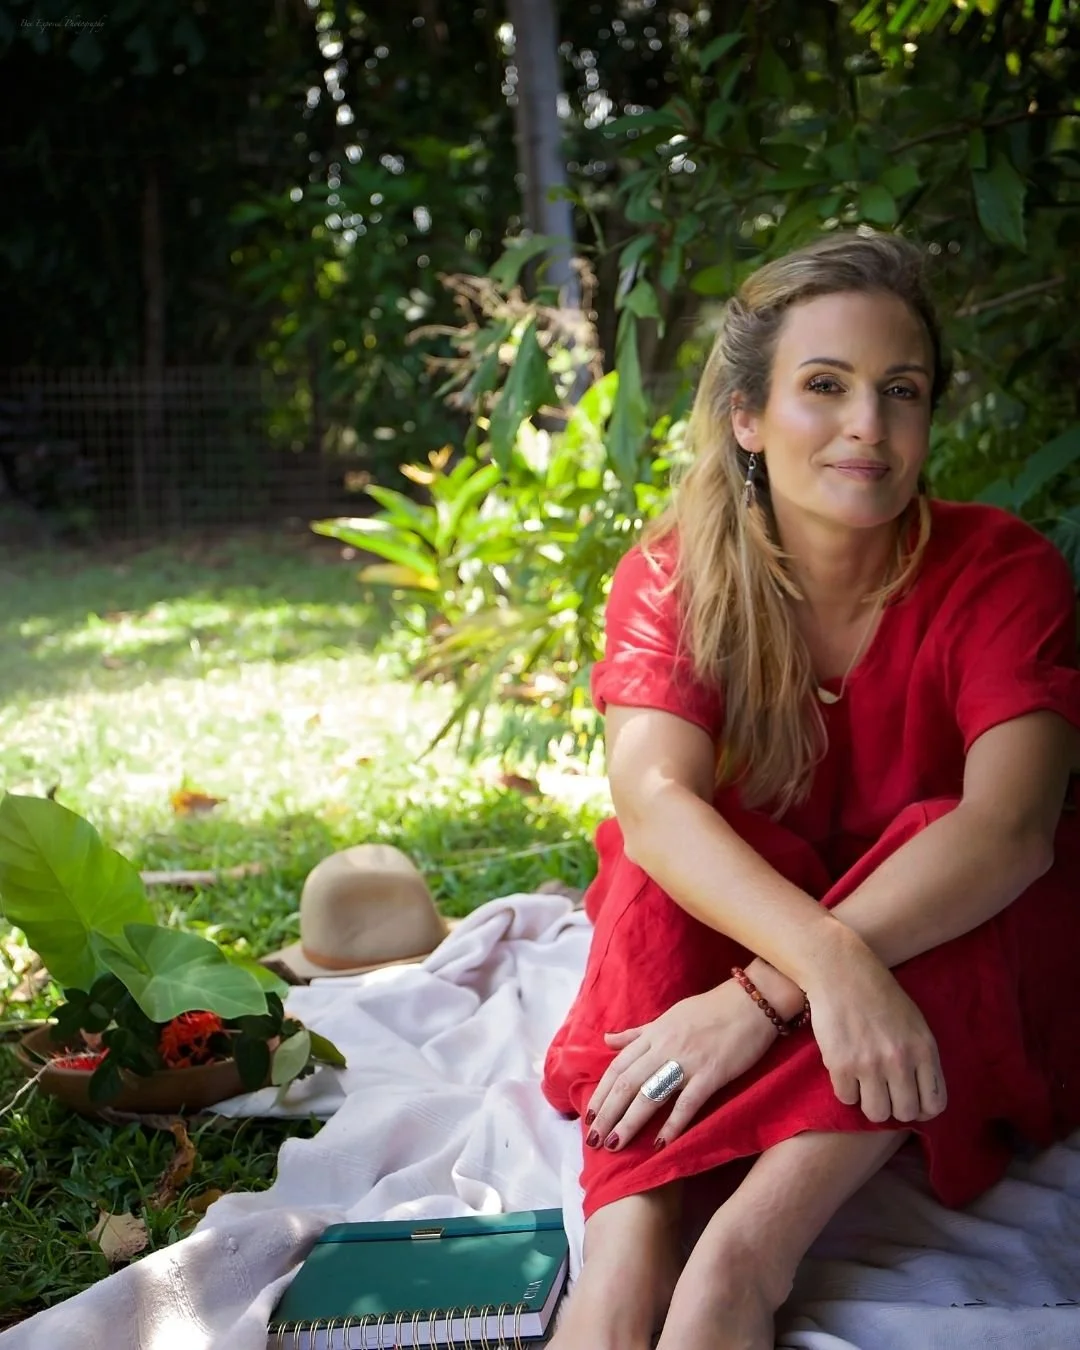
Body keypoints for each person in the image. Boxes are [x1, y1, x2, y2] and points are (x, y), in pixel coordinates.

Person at [540, 231, 1080, 1350]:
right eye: (823, 387)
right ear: (747, 414)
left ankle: (744, 1257)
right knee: (661, 867)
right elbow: (655, 800)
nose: (868, 428)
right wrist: (819, 966)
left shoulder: (1004, 567)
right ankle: (629, 1239)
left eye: (902, 392)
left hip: (949, 945)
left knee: (946, 853)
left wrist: (769, 995)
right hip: (800, 937)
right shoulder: (675, 574)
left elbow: (1013, 829)